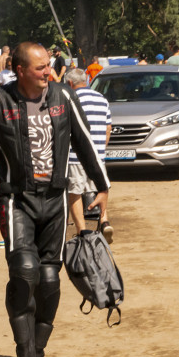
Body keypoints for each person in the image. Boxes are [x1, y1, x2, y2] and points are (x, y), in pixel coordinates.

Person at [0, 42, 109, 357]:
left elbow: (86, 143)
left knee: (48, 278)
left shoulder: (64, 97)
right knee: (25, 270)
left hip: (55, 200)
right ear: (20, 70)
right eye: (41, 67)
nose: (49, 72)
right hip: (15, 199)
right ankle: (23, 352)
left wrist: (102, 188)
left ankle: (40, 352)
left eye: (49, 66)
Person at [64, 68, 114, 241]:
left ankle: (82, 230)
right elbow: (108, 129)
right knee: (101, 188)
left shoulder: (71, 99)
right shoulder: (102, 99)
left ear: (70, 83)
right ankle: (104, 220)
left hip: (75, 156)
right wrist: (101, 149)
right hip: (98, 155)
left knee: (75, 193)